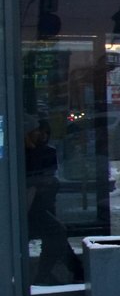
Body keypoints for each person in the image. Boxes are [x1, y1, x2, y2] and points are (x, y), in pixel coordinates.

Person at [25, 118, 84, 285]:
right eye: (38, 131)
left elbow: (48, 177)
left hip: (41, 204)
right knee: (57, 235)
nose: (42, 135)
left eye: (46, 132)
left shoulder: (47, 151)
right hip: (29, 206)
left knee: (56, 236)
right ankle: (69, 271)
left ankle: (48, 275)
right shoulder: (21, 151)